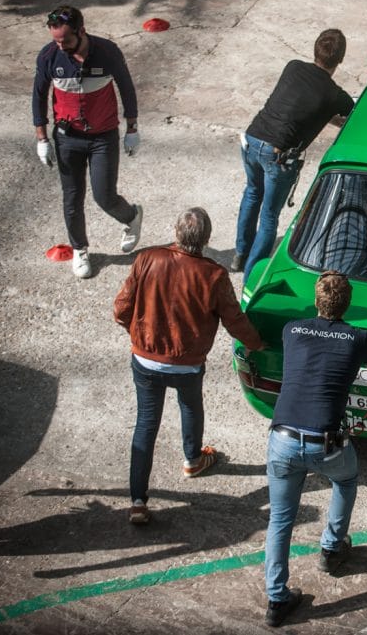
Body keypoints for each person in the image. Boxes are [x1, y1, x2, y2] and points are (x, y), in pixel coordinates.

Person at [113, 208, 264, 525]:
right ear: (206, 239)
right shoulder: (214, 275)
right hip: (187, 364)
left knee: (146, 425)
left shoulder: (147, 259)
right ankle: (193, 459)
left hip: (144, 359)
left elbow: (121, 308)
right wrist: (257, 344)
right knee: (191, 406)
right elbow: (234, 320)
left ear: (176, 232)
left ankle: (138, 502)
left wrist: (137, 333)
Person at [263, 271, 367, 627]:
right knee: (346, 480)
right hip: (326, 443)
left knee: (280, 519)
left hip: (282, 440)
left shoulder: (292, 330)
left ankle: (277, 600)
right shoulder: (359, 337)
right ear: (348, 304)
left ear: (316, 301)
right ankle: (332, 547)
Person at [32, 5, 144, 279]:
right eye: (56, 40)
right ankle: (80, 248)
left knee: (104, 196)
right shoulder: (49, 57)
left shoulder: (107, 52)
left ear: (81, 31)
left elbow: (126, 87)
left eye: (65, 40)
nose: (60, 46)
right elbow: (39, 96)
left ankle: (130, 217)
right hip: (67, 138)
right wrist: (42, 138)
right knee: (72, 198)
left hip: (102, 137)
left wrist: (132, 127)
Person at [234, 29, 356, 279]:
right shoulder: (334, 95)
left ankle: (240, 254)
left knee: (251, 194)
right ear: (340, 60)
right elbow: (352, 112)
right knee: (269, 217)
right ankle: (251, 276)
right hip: (278, 156)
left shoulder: (292, 67)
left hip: (252, 139)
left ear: (314, 50)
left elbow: (301, 103)